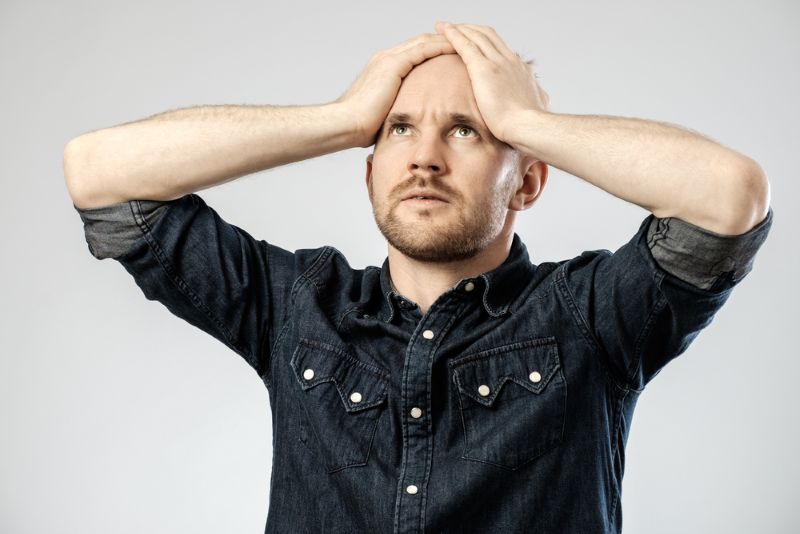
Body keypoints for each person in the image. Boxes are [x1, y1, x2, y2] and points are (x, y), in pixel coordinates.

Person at [64, 21, 773, 534]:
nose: (424, 158)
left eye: (467, 130)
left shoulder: (589, 316)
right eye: (399, 129)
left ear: (528, 182)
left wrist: (522, 117)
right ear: (369, 169)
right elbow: (99, 175)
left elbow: (730, 196)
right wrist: (341, 118)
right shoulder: (297, 307)